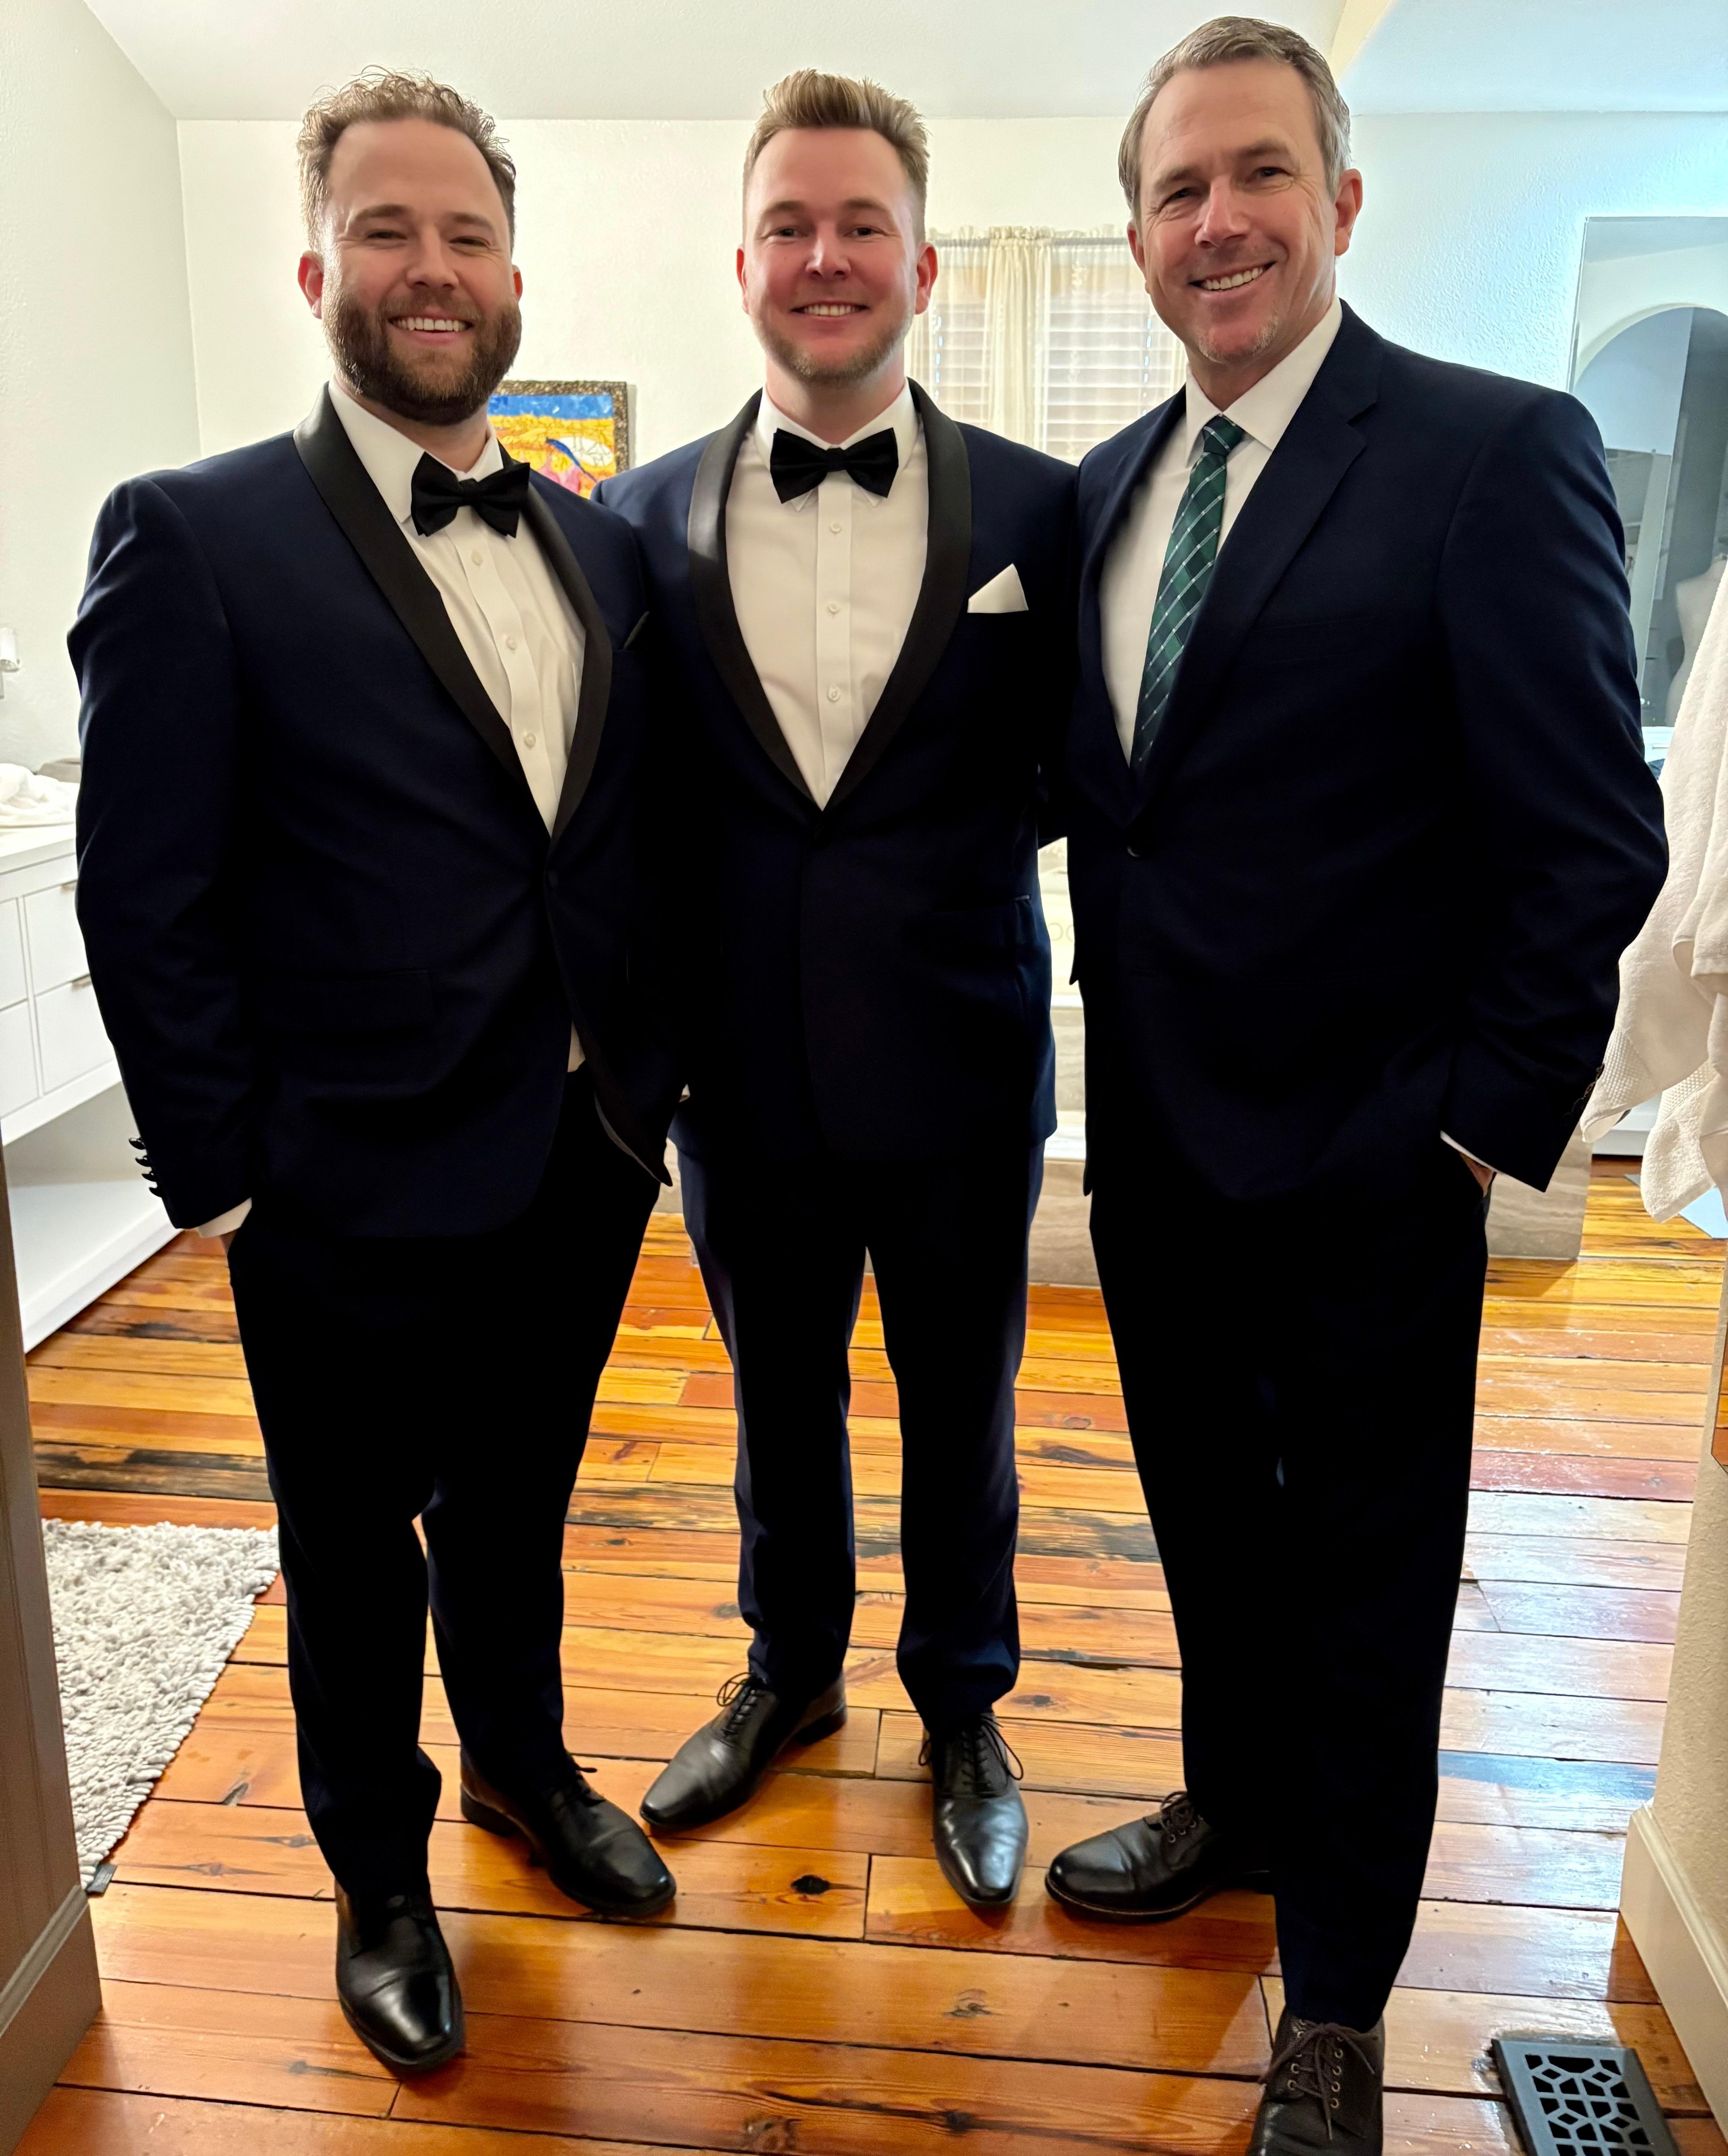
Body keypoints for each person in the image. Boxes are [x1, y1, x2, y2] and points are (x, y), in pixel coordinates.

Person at [1046, 19, 1666, 2154]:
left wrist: (1471, 1132)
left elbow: (1587, 838)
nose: (1213, 218)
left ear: (1337, 199)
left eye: (1253, 174)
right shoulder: (1116, 485)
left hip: (1366, 1170)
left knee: (1367, 1586)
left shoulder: (1493, 451)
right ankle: (1228, 1808)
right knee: (1209, 1533)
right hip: (1153, 1158)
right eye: (1172, 188)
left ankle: (1332, 1995)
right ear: (1130, 232)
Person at [70, 71, 681, 2074]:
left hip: (579, 1154)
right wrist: (219, 1178)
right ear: (320, 264)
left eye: (470, 236)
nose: (437, 270)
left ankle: (520, 1764)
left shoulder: (600, 556)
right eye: (393, 232)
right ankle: (379, 1875)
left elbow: (609, 841)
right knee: (350, 1548)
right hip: (336, 1180)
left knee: (517, 1504)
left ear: (516, 271)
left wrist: (645, 1094)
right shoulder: (194, 534)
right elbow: (145, 885)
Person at [597, 71, 1075, 1909]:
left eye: (862, 222)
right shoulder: (631, 523)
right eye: (793, 223)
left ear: (925, 261)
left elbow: (1079, 770)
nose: (827, 255)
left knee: (967, 1410)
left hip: (961, 1067)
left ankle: (964, 1705)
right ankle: (788, 1670)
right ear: (741, 264)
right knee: (774, 1402)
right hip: (741, 1085)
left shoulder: (1052, 504)